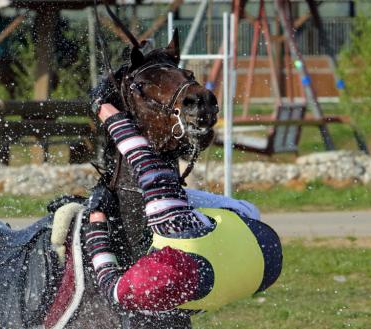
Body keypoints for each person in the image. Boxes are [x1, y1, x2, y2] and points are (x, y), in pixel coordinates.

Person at [85, 100, 281, 313]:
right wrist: (105, 110)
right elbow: (143, 158)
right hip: (264, 251)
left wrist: (96, 217)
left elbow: (108, 282)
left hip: (251, 274)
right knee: (244, 210)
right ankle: (176, 198)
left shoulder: (137, 289)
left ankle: (175, 198)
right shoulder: (176, 227)